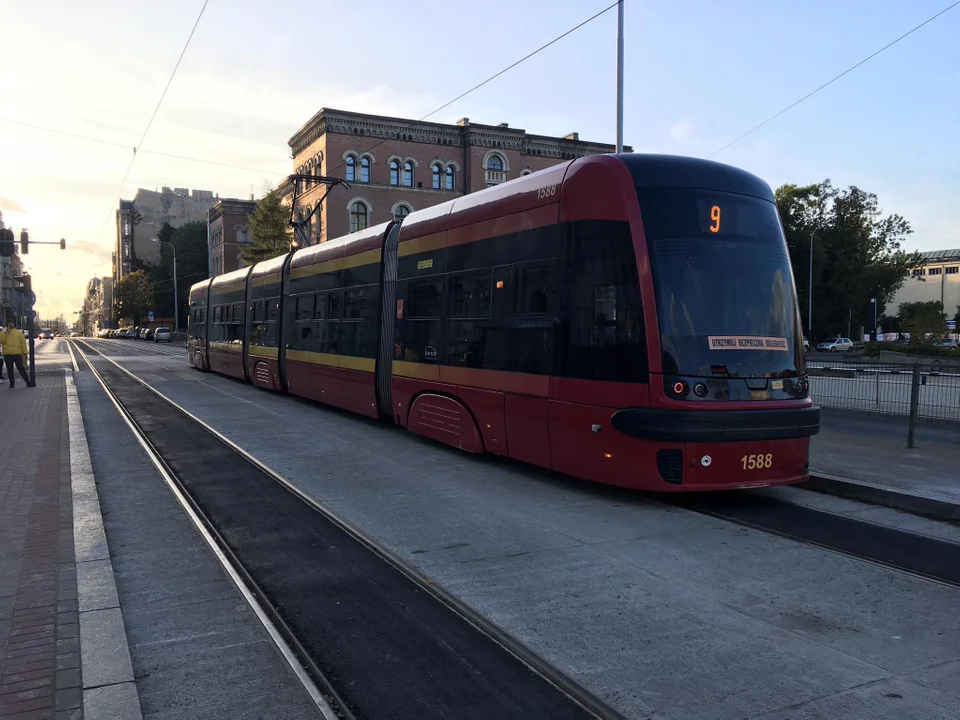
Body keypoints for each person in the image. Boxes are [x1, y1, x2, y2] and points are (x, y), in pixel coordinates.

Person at [0, 320, 30, 388]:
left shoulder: (18, 333)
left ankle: (28, 382)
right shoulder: (3, 332)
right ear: (8, 324)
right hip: (7, 354)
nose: (11, 324)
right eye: (9, 323)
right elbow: (1, 341)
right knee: (9, 370)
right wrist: (5, 334)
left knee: (21, 368)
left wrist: (25, 352)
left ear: (14, 324)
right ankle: (12, 384)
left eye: (12, 323)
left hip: (17, 353)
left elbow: (23, 343)